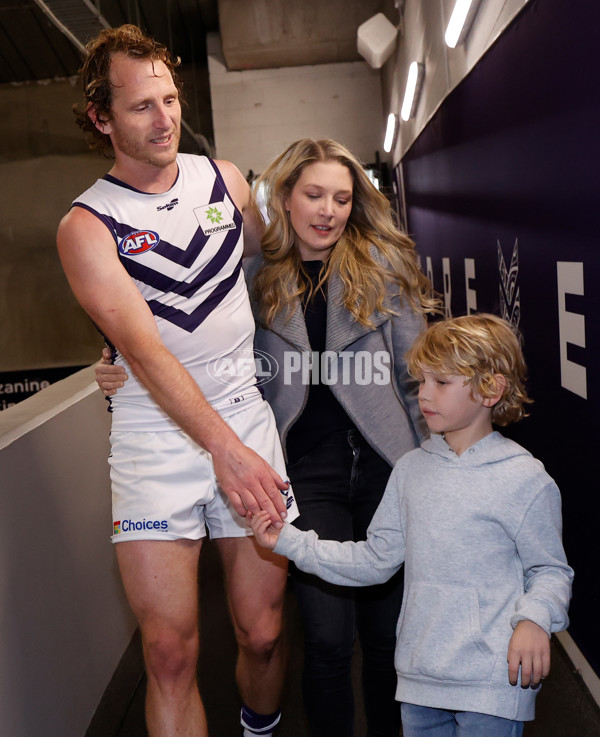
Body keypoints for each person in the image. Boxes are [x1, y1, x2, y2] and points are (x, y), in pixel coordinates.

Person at [98, 137, 437, 735]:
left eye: (341, 196)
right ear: (284, 198)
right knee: (328, 640)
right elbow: (186, 341)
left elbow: (415, 380)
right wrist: (116, 363)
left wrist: (433, 468)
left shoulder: (386, 269)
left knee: (389, 640)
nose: (327, 210)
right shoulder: (249, 275)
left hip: (389, 466)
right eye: (313, 195)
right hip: (303, 469)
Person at [57, 24, 298, 737]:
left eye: (170, 99)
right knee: (167, 651)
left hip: (241, 414)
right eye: (141, 106)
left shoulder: (223, 180)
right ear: (102, 118)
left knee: (261, 631)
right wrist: (223, 450)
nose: (165, 119)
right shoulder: (86, 223)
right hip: (152, 437)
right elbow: (148, 353)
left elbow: (264, 264)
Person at [249, 313, 574, 737]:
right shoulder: (409, 470)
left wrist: (534, 619)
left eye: (442, 382)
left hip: (494, 683)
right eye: (421, 381)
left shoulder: (525, 479)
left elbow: (549, 570)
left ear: (491, 389)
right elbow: (375, 559)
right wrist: (290, 542)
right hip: (419, 683)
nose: (424, 394)